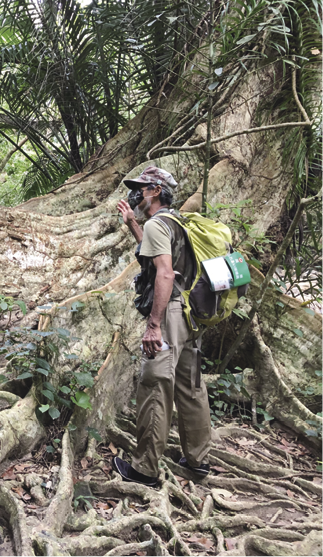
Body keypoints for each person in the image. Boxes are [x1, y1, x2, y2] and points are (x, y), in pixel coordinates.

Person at [113, 165, 212, 486]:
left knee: (155, 383)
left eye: (141, 188)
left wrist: (153, 325)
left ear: (155, 191)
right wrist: (132, 223)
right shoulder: (175, 222)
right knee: (192, 386)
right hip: (191, 315)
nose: (136, 194)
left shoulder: (158, 223)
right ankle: (197, 459)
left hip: (170, 315)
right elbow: (155, 258)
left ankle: (144, 469)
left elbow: (165, 274)